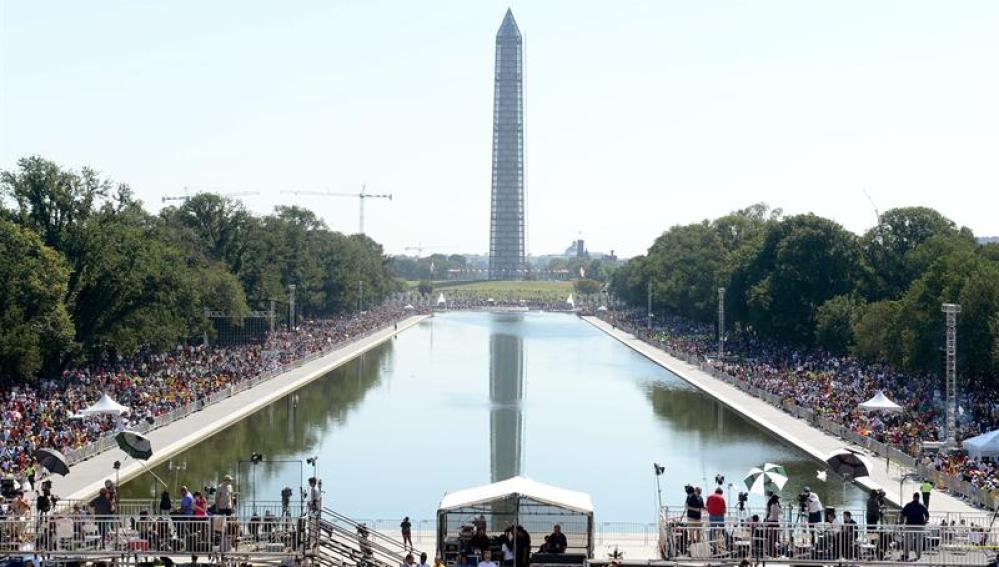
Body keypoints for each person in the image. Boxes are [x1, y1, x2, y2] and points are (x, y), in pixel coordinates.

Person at [901, 492, 928, 561]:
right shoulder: (922, 506)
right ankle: (918, 555)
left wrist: (902, 522)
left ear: (913, 497)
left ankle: (906, 555)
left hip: (909, 525)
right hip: (919, 526)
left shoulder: (908, 505)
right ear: (919, 498)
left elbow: (902, 515)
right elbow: (927, 516)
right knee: (919, 541)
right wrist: (924, 523)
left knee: (907, 540)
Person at [706, 487, 727, 552]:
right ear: (721, 493)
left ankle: (711, 545)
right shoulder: (722, 498)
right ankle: (728, 542)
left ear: (715, 491)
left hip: (712, 515)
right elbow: (724, 509)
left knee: (712, 529)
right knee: (723, 529)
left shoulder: (709, 497)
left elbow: (707, 505)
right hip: (720, 516)